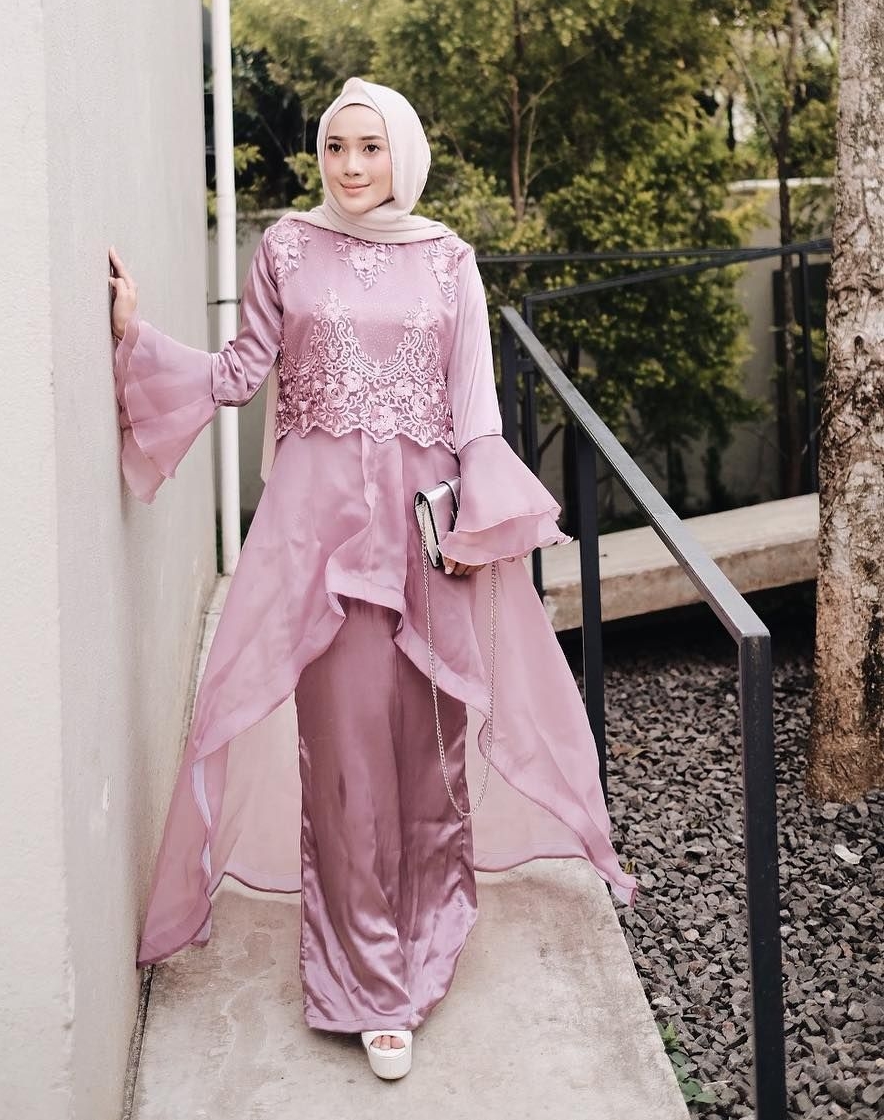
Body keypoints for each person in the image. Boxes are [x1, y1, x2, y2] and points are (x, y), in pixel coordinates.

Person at [108, 77, 636, 1081]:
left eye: (370, 147)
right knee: (346, 760)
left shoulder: (448, 260)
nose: (350, 166)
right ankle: (366, 980)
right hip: (318, 547)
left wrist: (484, 523)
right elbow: (236, 374)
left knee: (430, 752)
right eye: (336, 147)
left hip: (426, 540)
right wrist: (135, 336)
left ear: (403, 153)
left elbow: (476, 411)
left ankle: (429, 925)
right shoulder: (286, 249)